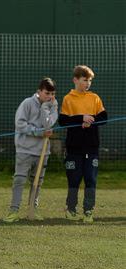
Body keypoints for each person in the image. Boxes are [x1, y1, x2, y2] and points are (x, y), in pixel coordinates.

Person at [3, 78, 58, 222]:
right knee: (20, 180)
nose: (50, 96)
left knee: (37, 182)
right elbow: (20, 124)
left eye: (52, 93)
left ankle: (33, 210)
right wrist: (38, 132)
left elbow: (49, 124)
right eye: (47, 93)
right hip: (25, 150)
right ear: (39, 91)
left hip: (42, 152)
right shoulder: (27, 103)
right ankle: (13, 211)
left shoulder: (53, 105)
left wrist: (46, 108)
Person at [58, 65, 107, 223]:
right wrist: (81, 119)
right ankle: (71, 209)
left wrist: (91, 121)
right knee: (74, 179)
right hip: (74, 148)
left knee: (90, 179)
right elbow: (63, 121)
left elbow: (104, 118)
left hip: (91, 148)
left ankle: (88, 211)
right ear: (75, 80)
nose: (88, 83)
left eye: (90, 80)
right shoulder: (68, 99)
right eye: (85, 80)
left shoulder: (95, 98)